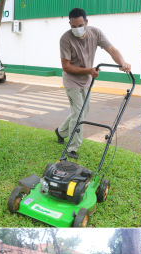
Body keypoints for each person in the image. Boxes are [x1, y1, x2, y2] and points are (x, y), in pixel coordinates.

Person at [56, 8, 131, 159]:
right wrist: (89, 70)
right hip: (71, 80)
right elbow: (66, 66)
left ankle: (61, 131)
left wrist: (123, 63)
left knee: (82, 112)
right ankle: (72, 148)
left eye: (80, 25)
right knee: (78, 114)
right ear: (69, 24)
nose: (77, 29)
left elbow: (112, 50)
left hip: (86, 80)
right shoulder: (65, 39)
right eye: (73, 26)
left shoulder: (95, 33)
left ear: (86, 22)